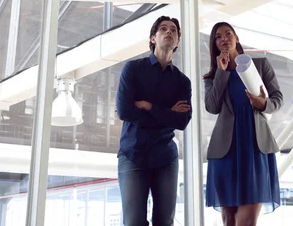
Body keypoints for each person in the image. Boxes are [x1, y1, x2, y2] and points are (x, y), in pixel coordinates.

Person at [204, 22, 283, 226]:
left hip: (255, 147)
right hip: (226, 149)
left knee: (246, 221)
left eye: (228, 34)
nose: (224, 38)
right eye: (218, 36)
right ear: (214, 44)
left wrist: (263, 103)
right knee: (229, 220)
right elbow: (212, 107)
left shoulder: (260, 65)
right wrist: (221, 72)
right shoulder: (212, 76)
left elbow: (277, 100)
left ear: (236, 38)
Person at [116, 15, 192, 226]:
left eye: (174, 30)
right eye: (163, 29)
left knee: (164, 222)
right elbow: (125, 111)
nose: (169, 32)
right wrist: (168, 113)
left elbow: (183, 120)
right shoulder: (132, 69)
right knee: (133, 222)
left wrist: (147, 106)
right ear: (152, 38)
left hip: (165, 157)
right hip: (133, 153)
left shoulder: (182, 81)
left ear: (177, 42)